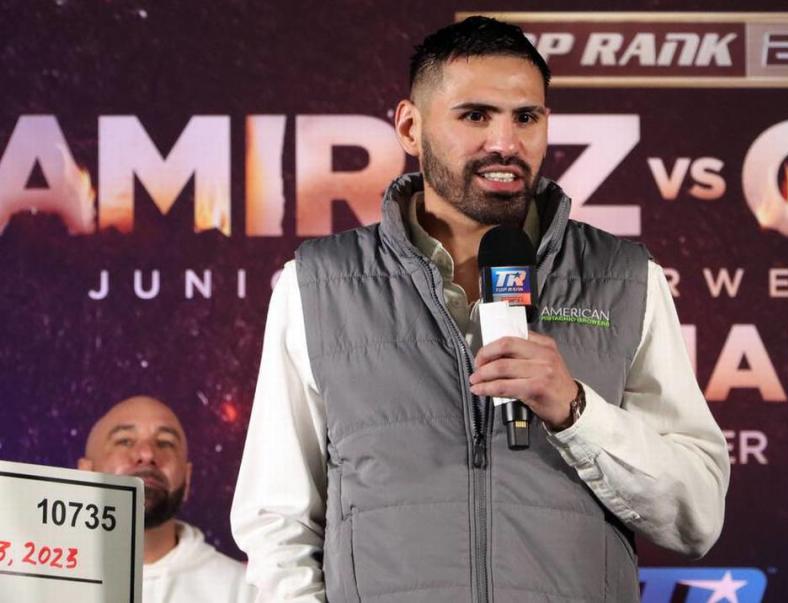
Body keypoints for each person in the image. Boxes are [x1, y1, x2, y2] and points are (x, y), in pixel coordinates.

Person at [231, 16, 730, 602]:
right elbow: (278, 524)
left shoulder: (625, 278)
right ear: (410, 127)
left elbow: (696, 515)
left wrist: (576, 411)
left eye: (526, 117)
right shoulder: (317, 283)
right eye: (475, 116)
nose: (505, 143)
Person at [79, 395, 256, 603]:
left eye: (165, 443)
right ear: (85, 474)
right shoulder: (39, 578)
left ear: (187, 478)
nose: (147, 454)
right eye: (125, 441)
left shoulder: (245, 592)